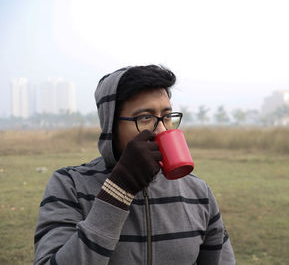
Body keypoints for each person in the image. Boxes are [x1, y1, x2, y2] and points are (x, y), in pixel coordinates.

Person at [34, 65, 236, 265]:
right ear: (110, 125)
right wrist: (119, 187)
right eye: (145, 117)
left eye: (167, 116)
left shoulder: (198, 192)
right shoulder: (70, 185)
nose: (161, 131)